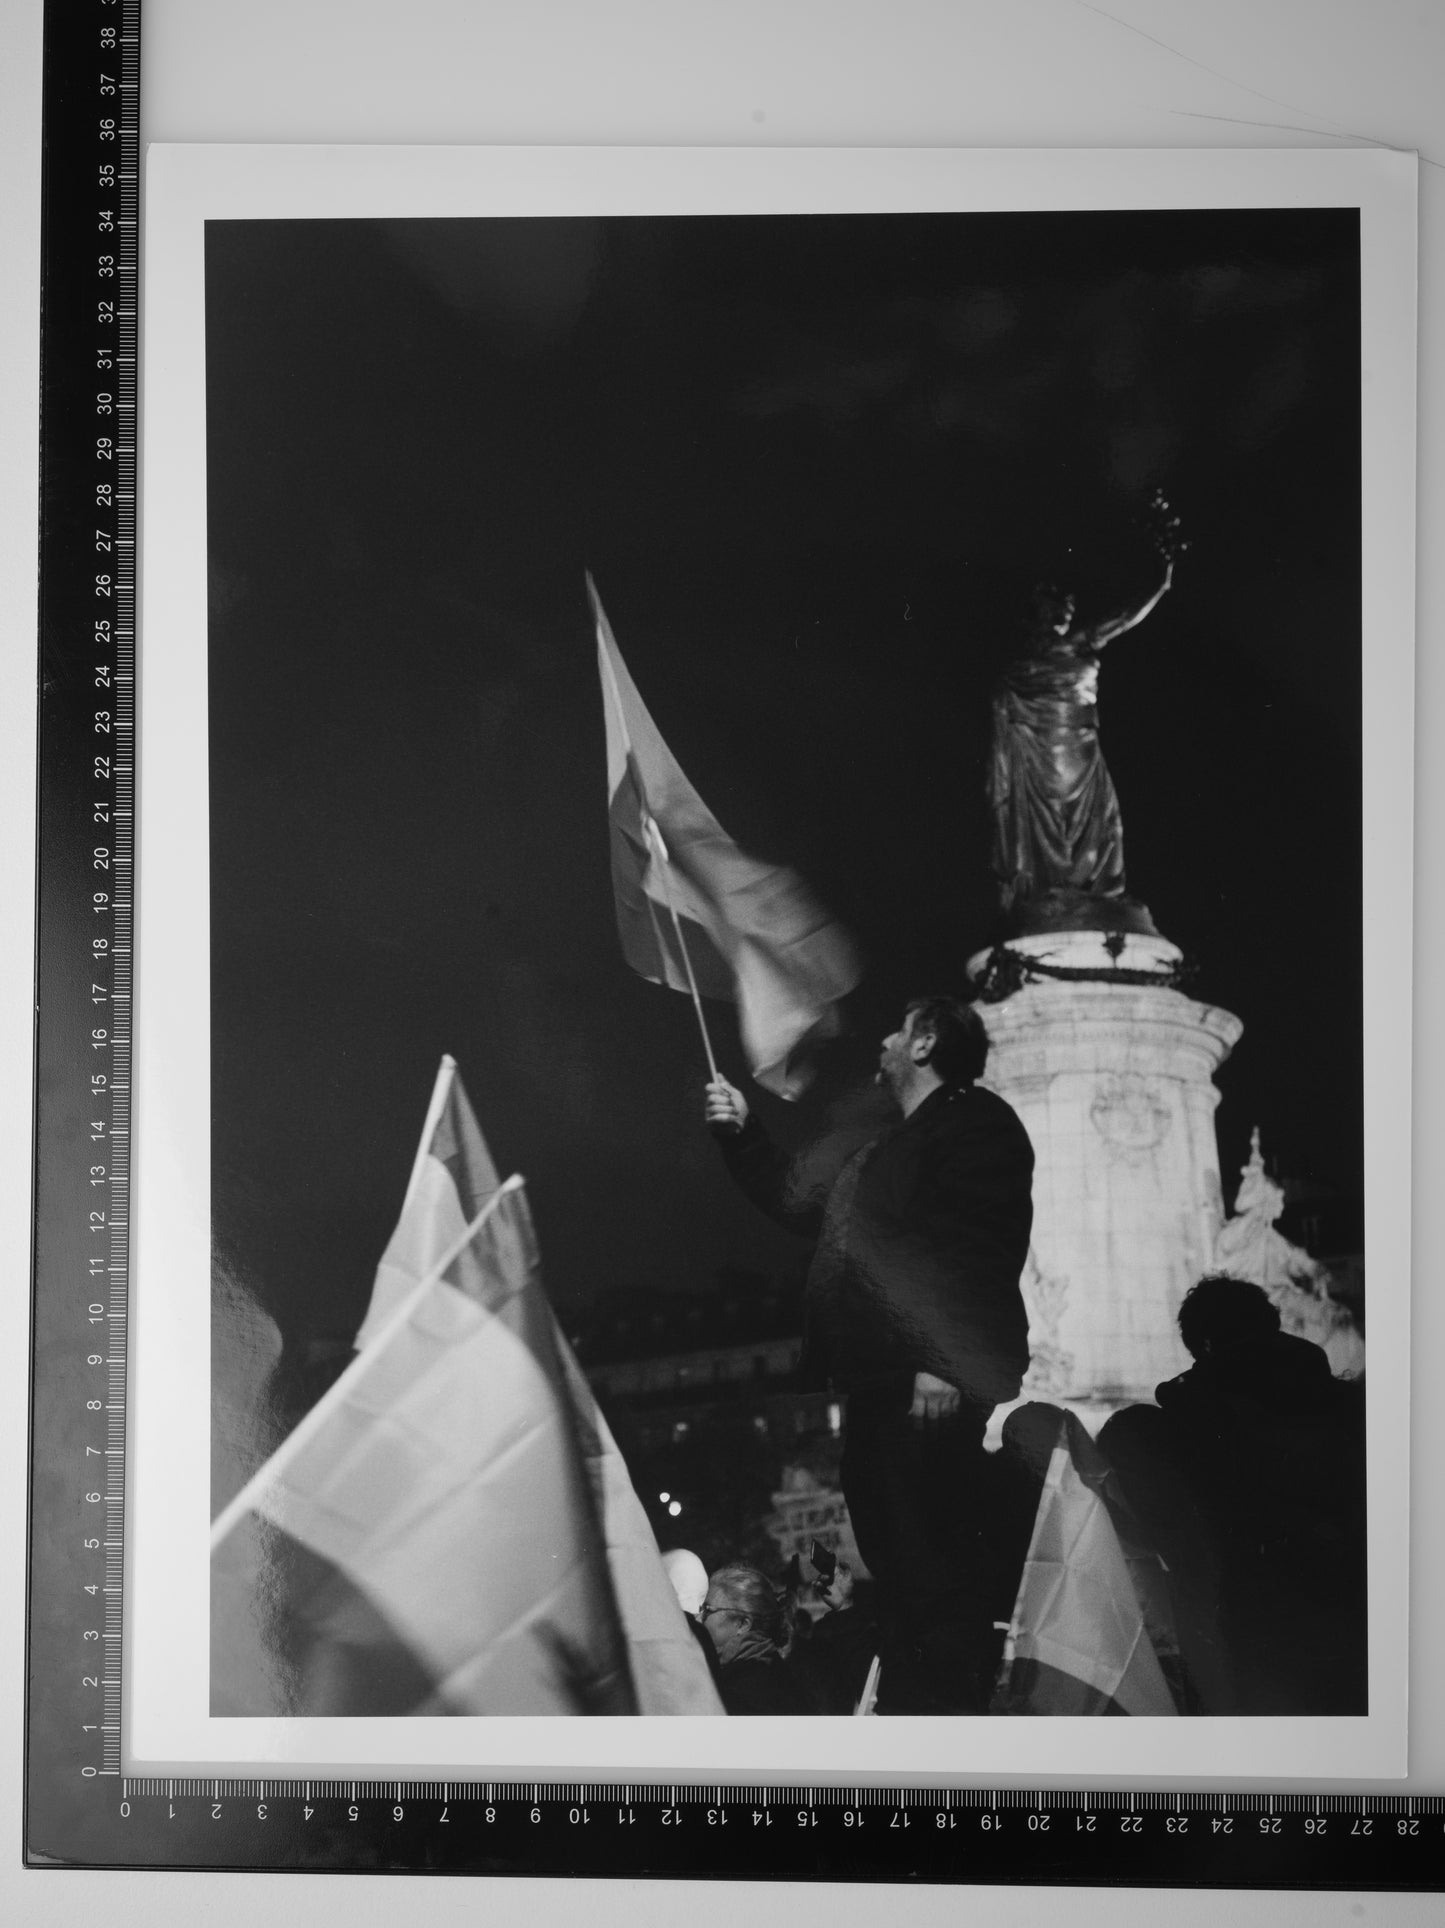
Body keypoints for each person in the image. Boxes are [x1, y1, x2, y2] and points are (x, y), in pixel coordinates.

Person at [706, 995, 1035, 1712]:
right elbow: (798, 1203)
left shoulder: (975, 1125)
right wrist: (741, 1134)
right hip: (881, 1386)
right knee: (902, 1570)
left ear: (923, 1044)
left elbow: (978, 1247)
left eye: (896, 1027)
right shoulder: (886, 1150)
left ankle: (947, 1734)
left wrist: (941, 1364)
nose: (881, 1040)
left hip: (923, 1384)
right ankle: (925, 1717)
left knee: (932, 1575)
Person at [699, 1564, 810, 1715]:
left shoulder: (744, 1691)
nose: (699, 1619)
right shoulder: (775, 1671)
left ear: (743, 1624)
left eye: (707, 1610)